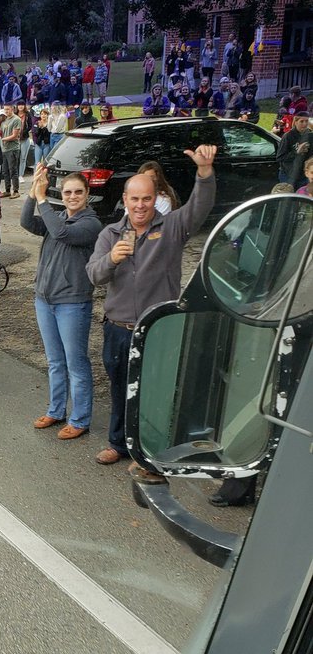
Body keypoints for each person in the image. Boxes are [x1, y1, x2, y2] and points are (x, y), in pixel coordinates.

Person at [86, 145, 218, 473]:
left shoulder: (171, 228)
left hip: (157, 329)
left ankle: (148, 454)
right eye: (135, 199)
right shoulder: (111, 234)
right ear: (125, 201)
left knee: (154, 392)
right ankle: (119, 444)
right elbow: (93, 275)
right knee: (120, 389)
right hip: (117, 327)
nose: (141, 205)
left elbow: (198, 209)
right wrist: (111, 259)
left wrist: (204, 174)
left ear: (155, 198)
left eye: (147, 199)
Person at [21, 168, 102, 439]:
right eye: (67, 192)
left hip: (73, 302)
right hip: (45, 300)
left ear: (87, 194)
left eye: (78, 191)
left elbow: (62, 235)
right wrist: (34, 194)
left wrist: (43, 200)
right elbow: (25, 222)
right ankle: (56, 410)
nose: (72, 196)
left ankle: (79, 419)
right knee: (55, 361)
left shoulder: (90, 224)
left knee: (76, 363)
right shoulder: (55, 217)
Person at [277, 109, 312, 188]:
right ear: (295, 122)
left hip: (303, 176)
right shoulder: (288, 136)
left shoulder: (310, 136)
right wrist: (296, 152)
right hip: (288, 175)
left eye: (306, 121)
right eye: (301, 121)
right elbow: (280, 157)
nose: (304, 124)